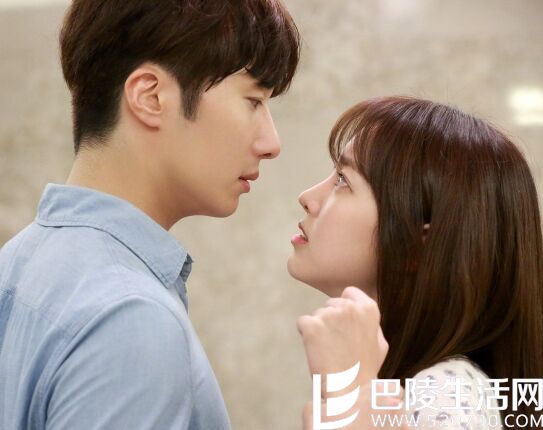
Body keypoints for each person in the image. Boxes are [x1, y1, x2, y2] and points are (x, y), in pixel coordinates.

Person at [0, 1, 300, 428]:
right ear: (150, 97)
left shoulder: (16, 264)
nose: (272, 143)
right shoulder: (129, 319)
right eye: (253, 101)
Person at [291, 96, 543, 429]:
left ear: (415, 244)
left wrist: (352, 392)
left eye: (343, 180)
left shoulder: (443, 395)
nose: (308, 198)